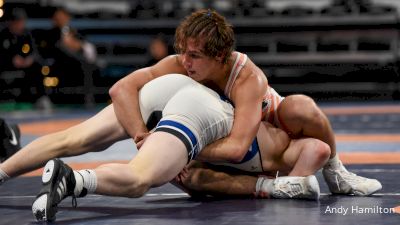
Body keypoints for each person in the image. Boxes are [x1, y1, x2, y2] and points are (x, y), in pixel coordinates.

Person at [109, 9, 381, 196]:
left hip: (262, 135)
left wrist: (177, 149)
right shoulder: (181, 63)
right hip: (220, 137)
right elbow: (122, 89)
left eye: (194, 55)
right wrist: (141, 135)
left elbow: (238, 148)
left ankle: (336, 171)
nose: (185, 62)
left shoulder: (247, 77)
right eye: (183, 53)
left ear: (219, 56)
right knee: (188, 178)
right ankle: (278, 188)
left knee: (302, 107)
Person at [28, 74, 322, 221]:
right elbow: (318, 150)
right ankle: (71, 180)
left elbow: (196, 183)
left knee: (80, 142)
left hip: (188, 109)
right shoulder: (282, 137)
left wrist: (150, 139)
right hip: (201, 116)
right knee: (139, 179)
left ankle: (59, 178)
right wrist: (296, 179)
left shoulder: (260, 108)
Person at [0, 8, 47, 104]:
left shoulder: (27, 34)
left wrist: (29, 59)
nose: (20, 24)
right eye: (18, 21)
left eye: (22, 21)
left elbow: (35, 52)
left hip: (25, 66)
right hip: (6, 66)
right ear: (12, 22)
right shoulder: (3, 34)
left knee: (37, 66)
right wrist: (11, 59)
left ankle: (40, 98)